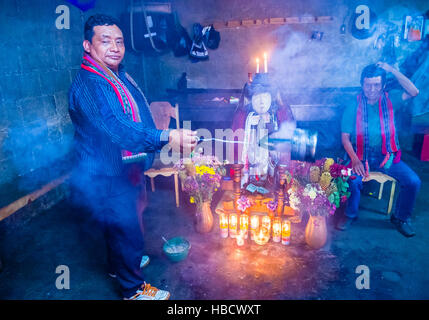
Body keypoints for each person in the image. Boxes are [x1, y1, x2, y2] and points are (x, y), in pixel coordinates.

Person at [68, 14, 197, 300]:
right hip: (108, 171)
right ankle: (133, 290)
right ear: (88, 46)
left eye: (119, 41)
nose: (115, 47)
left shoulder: (116, 73)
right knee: (126, 227)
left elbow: (133, 115)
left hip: (127, 166)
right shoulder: (91, 83)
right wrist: (167, 137)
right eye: (105, 41)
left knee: (124, 221)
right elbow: (116, 130)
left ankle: (121, 266)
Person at [337, 62, 421, 237]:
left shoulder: (392, 99)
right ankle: (350, 215)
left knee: (413, 181)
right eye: (368, 84)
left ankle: (400, 218)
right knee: (353, 181)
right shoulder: (354, 106)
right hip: (360, 155)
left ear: (383, 85)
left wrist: (391, 70)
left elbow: (414, 92)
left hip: (387, 157)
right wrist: (355, 159)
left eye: (376, 85)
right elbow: (345, 138)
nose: (372, 89)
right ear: (362, 84)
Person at [232, 73, 295, 188]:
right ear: (251, 99)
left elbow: (288, 144)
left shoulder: (279, 115)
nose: (261, 102)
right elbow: (236, 144)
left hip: (272, 170)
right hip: (251, 166)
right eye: (257, 97)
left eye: (265, 97)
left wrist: (271, 122)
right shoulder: (242, 116)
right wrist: (250, 121)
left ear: (271, 99)